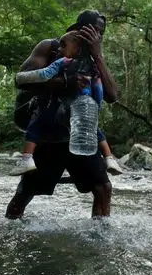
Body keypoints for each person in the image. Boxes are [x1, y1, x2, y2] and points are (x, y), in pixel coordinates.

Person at [5, 10, 118, 219]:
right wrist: (64, 82)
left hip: (81, 134)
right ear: (79, 28)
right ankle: (11, 235)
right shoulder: (52, 47)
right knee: (25, 192)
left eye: (101, 32)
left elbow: (111, 95)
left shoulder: (94, 59)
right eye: (94, 29)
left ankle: (100, 240)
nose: (98, 35)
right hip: (48, 135)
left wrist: (98, 55)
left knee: (103, 188)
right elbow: (21, 80)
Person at [9, 30, 123, 176]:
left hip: (61, 109)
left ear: (77, 49)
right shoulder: (92, 66)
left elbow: (43, 75)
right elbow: (98, 87)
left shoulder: (63, 62)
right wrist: (96, 104)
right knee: (95, 131)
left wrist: (54, 79)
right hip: (81, 109)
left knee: (36, 125)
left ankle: (26, 159)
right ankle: (109, 158)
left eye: (63, 46)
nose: (59, 49)